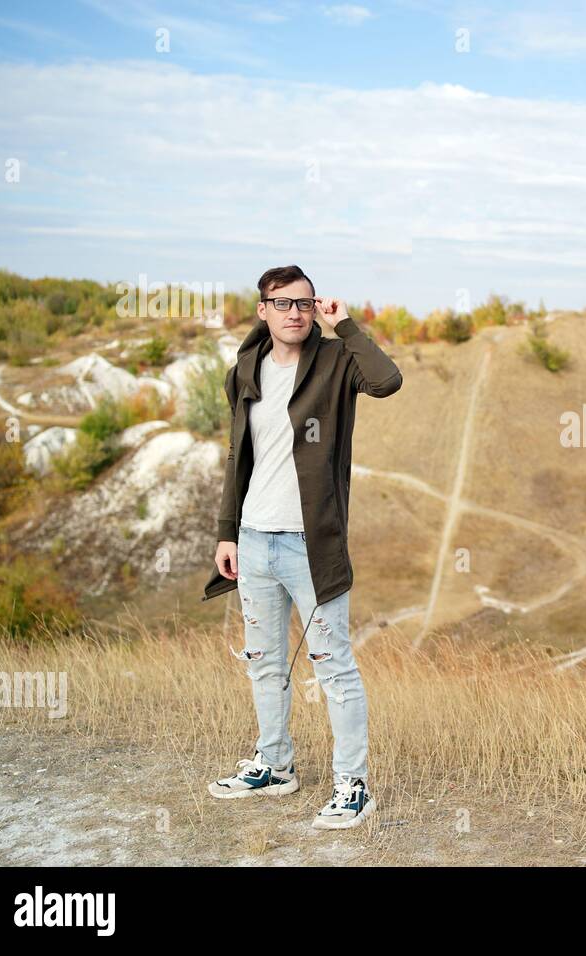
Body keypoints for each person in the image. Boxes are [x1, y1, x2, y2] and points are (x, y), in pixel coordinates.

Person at [200, 264, 402, 829]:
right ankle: (274, 765)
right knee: (263, 664)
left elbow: (387, 381)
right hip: (254, 538)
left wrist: (349, 328)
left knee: (333, 667)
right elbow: (238, 456)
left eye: (305, 303)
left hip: (312, 544)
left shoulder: (338, 363)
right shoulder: (245, 370)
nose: (295, 312)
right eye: (283, 302)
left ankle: (353, 786)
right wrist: (226, 530)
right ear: (262, 310)